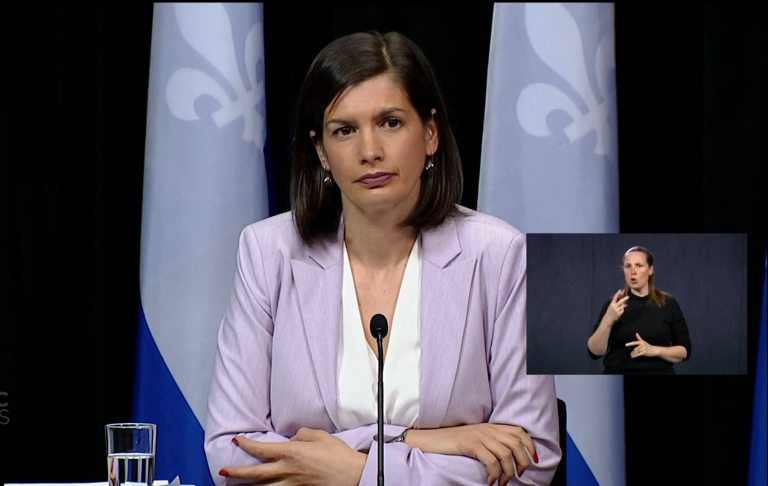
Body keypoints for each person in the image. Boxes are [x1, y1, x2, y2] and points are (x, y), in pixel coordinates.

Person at [203, 31, 561, 485]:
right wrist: (427, 440)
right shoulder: (268, 252)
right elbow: (230, 454)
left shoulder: (501, 256)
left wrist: (358, 472)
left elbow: (531, 459)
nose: (369, 151)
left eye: (390, 122)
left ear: (430, 133)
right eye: (344, 130)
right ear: (321, 152)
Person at [587, 246, 692, 375]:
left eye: (639, 265)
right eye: (628, 266)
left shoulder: (668, 303)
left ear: (650, 270)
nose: (633, 271)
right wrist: (608, 319)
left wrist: (654, 350)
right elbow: (594, 352)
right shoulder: (614, 304)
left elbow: (685, 351)